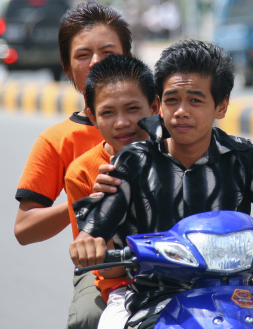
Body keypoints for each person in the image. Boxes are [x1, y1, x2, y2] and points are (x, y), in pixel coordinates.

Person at [69, 39, 253, 328]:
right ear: (158, 105)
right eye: (172, 99)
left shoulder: (242, 157)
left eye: (196, 100)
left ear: (221, 105)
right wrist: (87, 243)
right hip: (152, 301)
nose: (181, 111)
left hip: (235, 297)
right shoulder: (134, 161)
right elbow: (92, 234)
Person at [13, 0, 132, 329]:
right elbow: (24, 229)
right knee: (89, 318)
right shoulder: (57, 140)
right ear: (67, 70)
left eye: (108, 52)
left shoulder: (162, 125)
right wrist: (83, 203)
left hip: (174, 255)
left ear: (128, 58)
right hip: (105, 268)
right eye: (83, 55)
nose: (96, 63)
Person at [65, 54, 160, 329]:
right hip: (126, 284)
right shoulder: (83, 173)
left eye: (132, 109)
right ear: (93, 117)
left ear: (154, 107)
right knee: (87, 319)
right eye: (108, 113)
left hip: (195, 272)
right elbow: (108, 266)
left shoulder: (178, 150)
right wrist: (103, 205)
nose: (121, 123)